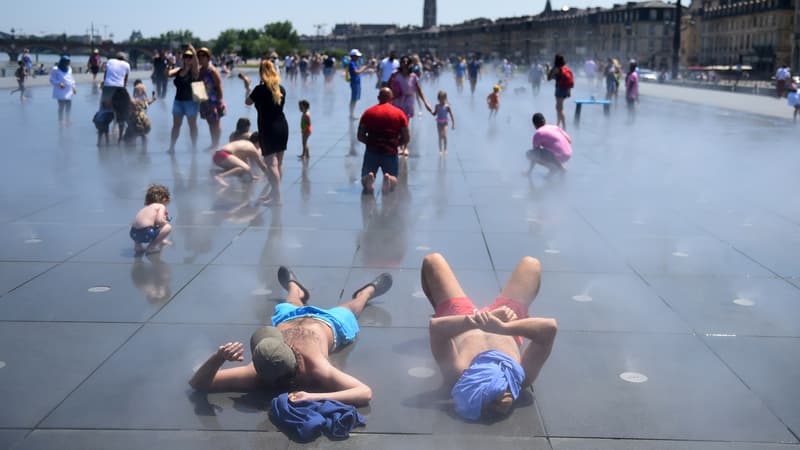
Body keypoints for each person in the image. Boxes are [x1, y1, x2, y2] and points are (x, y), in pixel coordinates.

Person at [188, 266, 393, 407]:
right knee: (350, 308)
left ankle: (295, 288)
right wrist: (312, 398)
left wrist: (218, 358)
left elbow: (199, 382)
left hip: (287, 319)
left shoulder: (258, 368)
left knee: (291, 301)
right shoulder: (314, 367)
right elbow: (364, 392)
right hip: (330, 324)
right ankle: (367, 292)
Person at [420, 252, 557, 421]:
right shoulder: (519, 375)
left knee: (432, 261)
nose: (506, 397)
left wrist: (475, 321)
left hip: (463, 320)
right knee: (531, 264)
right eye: (508, 396)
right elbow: (549, 328)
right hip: (507, 319)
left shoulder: (458, 374)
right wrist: (504, 326)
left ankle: (442, 310)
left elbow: (436, 329)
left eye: (496, 399)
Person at [242, 60, 289, 206]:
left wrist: (248, 86)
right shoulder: (280, 88)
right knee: (278, 164)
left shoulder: (259, 89)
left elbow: (247, 102)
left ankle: (277, 198)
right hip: (282, 127)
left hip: (268, 129)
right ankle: (273, 195)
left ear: (261, 73)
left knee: (271, 165)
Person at [358, 88, 409, 195]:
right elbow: (406, 137)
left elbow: (360, 135)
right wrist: (395, 144)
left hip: (372, 151)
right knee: (394, 181)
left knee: (364, 179)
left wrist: (371, 142)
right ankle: (389, 178)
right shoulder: (399, 114)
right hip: (390, 152)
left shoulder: (368, 113)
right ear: (392, 98)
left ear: (378, 98)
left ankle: (369, 177)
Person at [389, 55, 433, 156]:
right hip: (397, 101)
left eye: (406, 62)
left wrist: (426, 103)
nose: (404, 64)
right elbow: (388, 87)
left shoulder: (413, 76)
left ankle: (405, 147)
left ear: (409, 64)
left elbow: (419, 90)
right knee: (397, 125)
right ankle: (399, 146)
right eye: (402, 62)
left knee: (405, 125)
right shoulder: (395, 75)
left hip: (408, 101)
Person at [166, 46, 200, 153]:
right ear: (183, 59)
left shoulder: (194, 71)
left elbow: (196, 62)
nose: (188, 59)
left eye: (190, 57)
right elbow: (167, 74)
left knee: (192, 126)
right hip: (178, 101)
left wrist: (193, 50)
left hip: (191, 102)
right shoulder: (179, 70)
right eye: (186, 57)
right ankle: (171, 147)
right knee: (176, 126)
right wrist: (170, 64)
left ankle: (194, 147)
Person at [130, 184, 173, 255]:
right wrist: (164, 221)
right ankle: (151, 247)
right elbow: (159, 221)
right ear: (164, 199)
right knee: (168, 227)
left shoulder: (146, 208)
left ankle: (138, 246)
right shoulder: (160, 206)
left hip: (133, 233)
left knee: (145, 225)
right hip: (146, 233)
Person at [197, 47, 226, 149]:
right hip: (204, 100)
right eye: (199, 56)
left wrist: (220, 101)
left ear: (208, 57)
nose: (200, 58)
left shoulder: (212, 70)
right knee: (210, 122)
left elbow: (219, 85)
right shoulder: (200, 70)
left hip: (214, 100)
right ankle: (213, 143)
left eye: (203, 56)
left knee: (216, 122)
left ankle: (216, 144)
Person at [525, 113, 571, 177]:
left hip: (558, 157)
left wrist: (529, 172)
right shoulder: (555, 127)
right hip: (568, 154)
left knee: (529, 154)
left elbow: (534, 155)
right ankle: (557, 167)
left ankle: (555, 168)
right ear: (545, 121)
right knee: (546, 150)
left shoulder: (538, 133)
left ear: (534, 124)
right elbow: (569, 140)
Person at [102, 52, 133, 141]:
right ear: (124, 59)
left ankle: (105, 133)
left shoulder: (110, 61)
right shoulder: (126, 64)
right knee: (121, 110)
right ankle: (118, 134)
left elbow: (105, 75)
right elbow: (125, 80)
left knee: (106, 109)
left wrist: (105, 84)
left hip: (107, 87)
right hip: (119, 88)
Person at [546, 54, 572, 131]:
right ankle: (558, 124)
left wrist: (547, 68)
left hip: (560, 89)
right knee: (558, 107)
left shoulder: (556, 68)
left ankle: (563, 127)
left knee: (559, 108)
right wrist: (569, 91)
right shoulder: (565, 67)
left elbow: (548, 78)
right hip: (566, 89)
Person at [49, 55, 77, 124]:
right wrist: (59, 83)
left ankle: (68, 119)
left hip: (69, 90)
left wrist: (74, 87)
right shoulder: (55, 69)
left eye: (68, 62)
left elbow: (71, 78)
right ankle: (60, 121)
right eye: (66, 62)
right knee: (61, 106)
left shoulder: (69, 68)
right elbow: (51, 79)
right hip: (60, 90)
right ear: (62, 62)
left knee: (69, 105)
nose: (68, 63)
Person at [348, 49, 370, 119]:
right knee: (353, 99)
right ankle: (351, 114)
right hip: (354, 83)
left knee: (355, 98)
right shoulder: (352, 63)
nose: (358, 57)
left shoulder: (354, 63)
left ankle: (352, 113)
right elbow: (356, 72)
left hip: (357, 82)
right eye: (357, 56)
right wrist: (363, 68)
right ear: (353, 56)